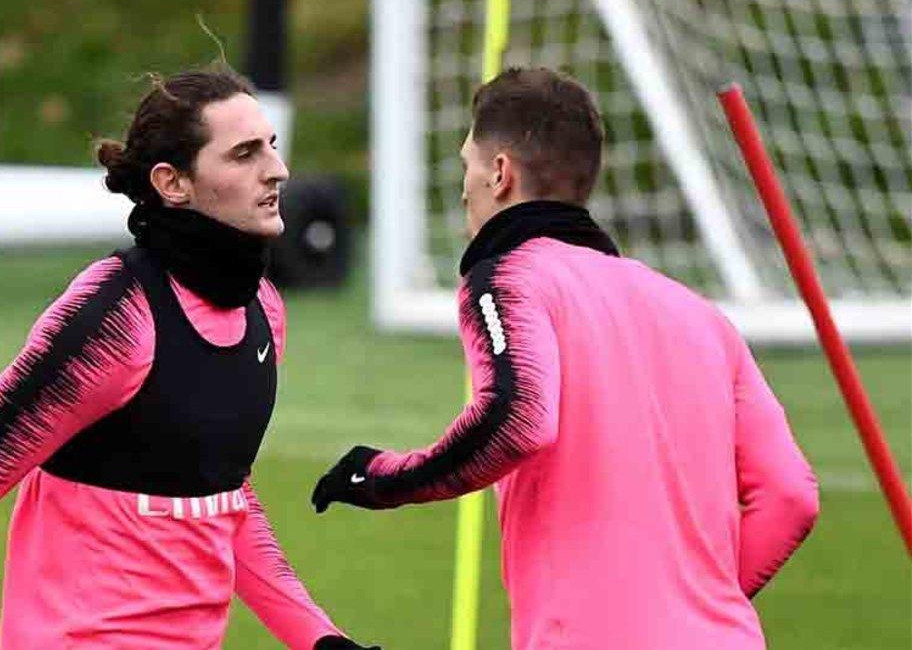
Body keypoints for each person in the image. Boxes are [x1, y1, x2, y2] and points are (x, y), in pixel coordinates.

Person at [311, 67, 819, 649]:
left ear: (499, 173)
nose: (462, 189)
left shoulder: (507, 276)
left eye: (466, 166)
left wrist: (384, 478)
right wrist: (698, 607)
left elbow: (520, 418)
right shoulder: (700, 313)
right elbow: (791, 494)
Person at [0, 68, 378, 650]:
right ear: (173, 183)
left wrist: (319, 636)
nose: (277, 170)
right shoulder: (112, 316)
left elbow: (223, 496)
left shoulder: (261, 309)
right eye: (244, 154)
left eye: (273, 147)